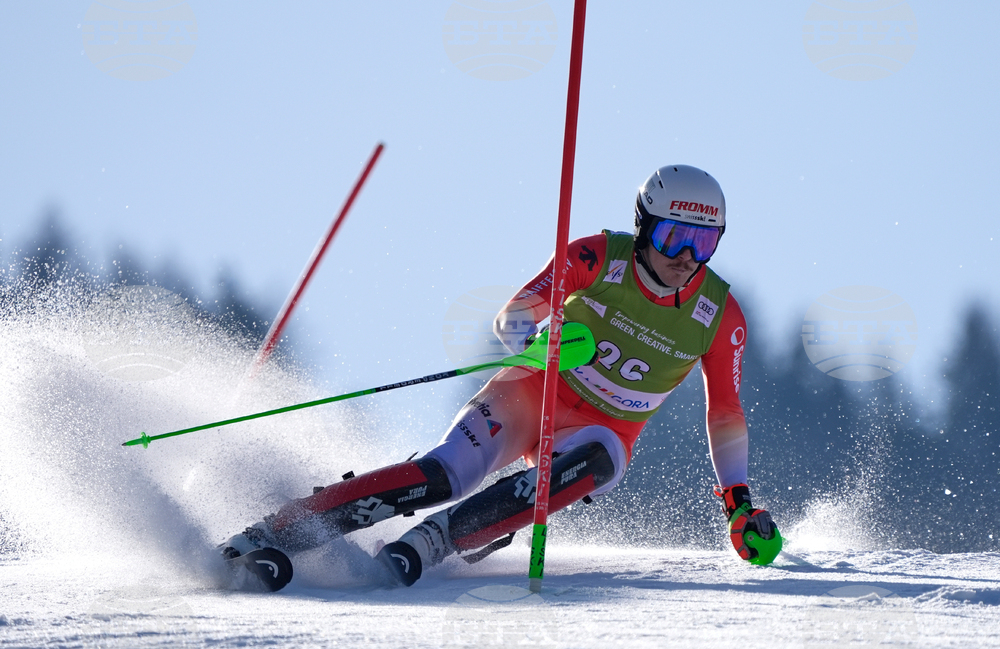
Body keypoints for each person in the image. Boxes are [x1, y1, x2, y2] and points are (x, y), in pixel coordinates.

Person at [220, 164, 779, 587]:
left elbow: (725, 411)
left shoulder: (718, 315)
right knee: (443, 476)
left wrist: (738, 501)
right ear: (644, 228)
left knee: (601, 460)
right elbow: (514, 315)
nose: (686, 257)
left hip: (598, 432)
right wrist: (538, 338)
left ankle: (434, 541)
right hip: (527, 394)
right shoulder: (598, 257)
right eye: (673, 237)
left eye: (703, 243)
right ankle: (274, 532)